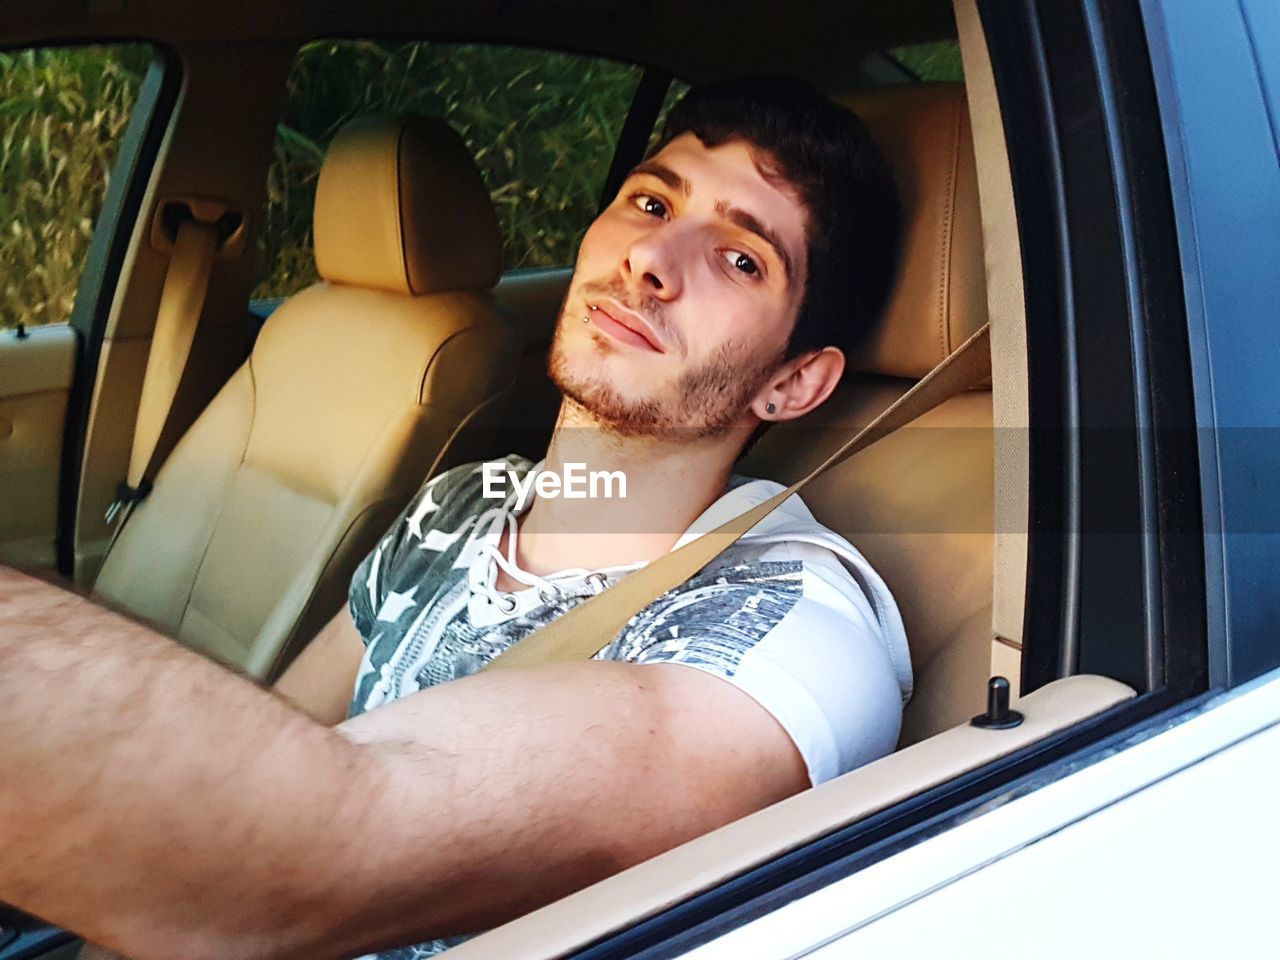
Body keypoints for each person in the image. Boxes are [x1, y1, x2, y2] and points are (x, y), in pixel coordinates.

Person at [0, 76, 903, 960]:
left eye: (742, 258)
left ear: (793, 382)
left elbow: (315, 845)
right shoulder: (462, 505)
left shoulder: (788, 633)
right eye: (650, 203)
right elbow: (264, 768)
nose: (651, 261)